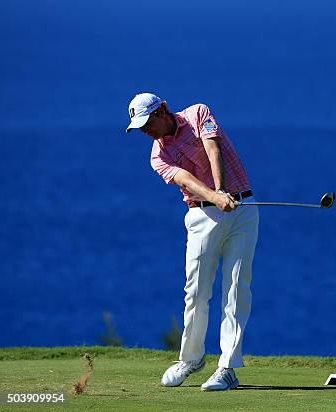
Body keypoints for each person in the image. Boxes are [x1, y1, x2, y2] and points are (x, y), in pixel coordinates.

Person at [126, 92, 259, 391]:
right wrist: (214, 196)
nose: (146, 131)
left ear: (162, 110)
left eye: (148, 122)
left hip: (242, 209)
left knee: (237, 288)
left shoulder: (198, 113)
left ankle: (227, 367)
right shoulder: (157, 155)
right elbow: (184, 178)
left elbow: (214, 149)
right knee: (196, 291)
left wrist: (223, 191)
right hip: (201, 215)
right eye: (140, 127)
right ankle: (191, 358)